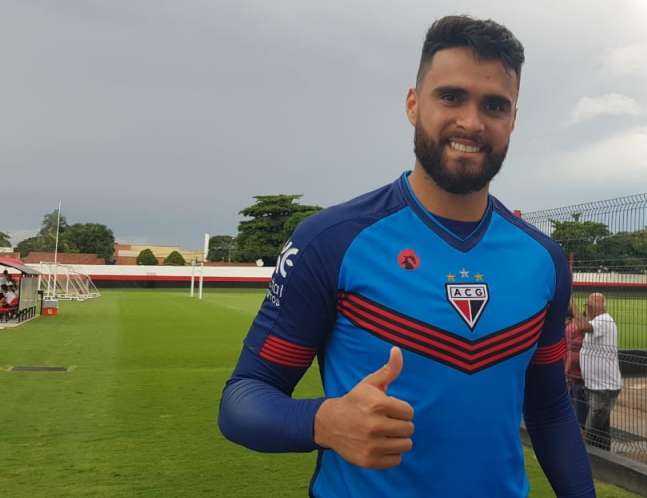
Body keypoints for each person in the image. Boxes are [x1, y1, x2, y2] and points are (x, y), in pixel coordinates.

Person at [218, 15, 595, 498]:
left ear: (513, 119)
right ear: (413, 104)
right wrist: (324, 420)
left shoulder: (543, 259)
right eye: (451, 97)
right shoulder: (331, 241)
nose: (472, 122)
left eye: (494, 105)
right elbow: (244, 397)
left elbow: (549, 409)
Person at [577, 293, 622, 451]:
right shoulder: (597, 321)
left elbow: (582, 327)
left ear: (595, 306)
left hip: (603, 389)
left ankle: (588, 460)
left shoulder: (603, 320)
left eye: (588, 305)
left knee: (590, 434)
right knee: (601, 432)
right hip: (597, 387)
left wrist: (572, 307)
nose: (587, 308)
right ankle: (605, 459)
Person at [564, 301, 588, 429]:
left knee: (575, 401)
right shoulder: (577, 329)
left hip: (574, 373)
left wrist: (566, 371)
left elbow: (569, 353)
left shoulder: (569, 329)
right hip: (581, 373)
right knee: (579, 402)